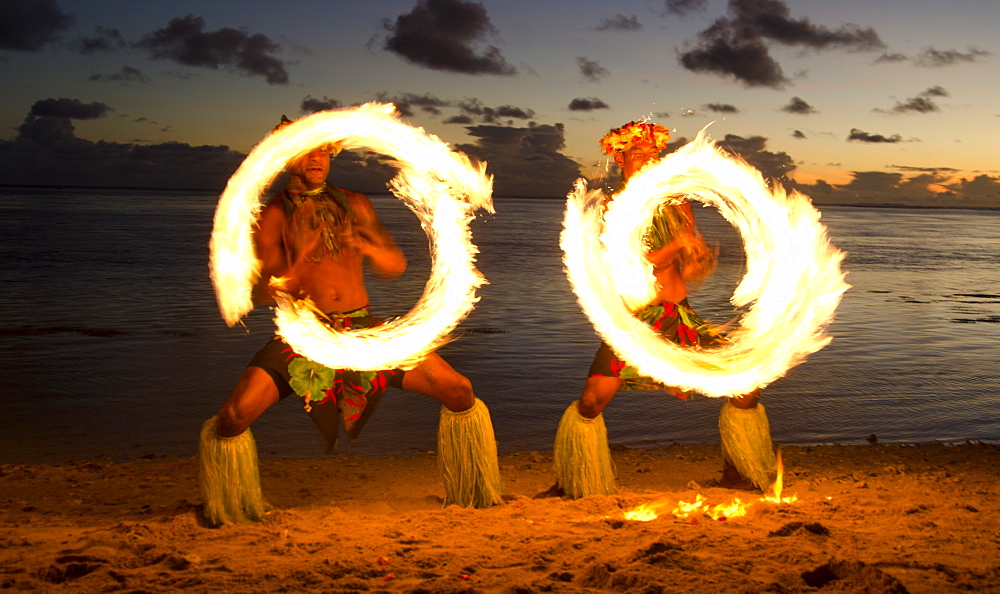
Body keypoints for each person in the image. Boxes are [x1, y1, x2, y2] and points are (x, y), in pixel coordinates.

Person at [198, 116, 503, 526]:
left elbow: (396, 264)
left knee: (459, 391)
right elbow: (256, 291)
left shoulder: (356, 203)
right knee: (233, 417)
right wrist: (290, 276)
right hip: (306, 334)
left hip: (364, 332)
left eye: (324, 149)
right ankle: (230, 508)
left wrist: (368, 247)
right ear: (287, 158)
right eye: (308, 149)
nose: (317, 157)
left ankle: (473, 493)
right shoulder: (271, 215)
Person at [551, 121, 776, 498]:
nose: (648, 161)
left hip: (679, 314)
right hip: (636, 321)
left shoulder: (678, 203)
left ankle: (738, 473)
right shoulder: (611, 208)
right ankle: (572, 481)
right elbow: (632, 264)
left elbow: (689, 269)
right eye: (638, 155)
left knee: (746, 385)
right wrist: (677, 246)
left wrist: (699, 259)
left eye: (654, 155)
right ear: (619, 158)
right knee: (591, 401)